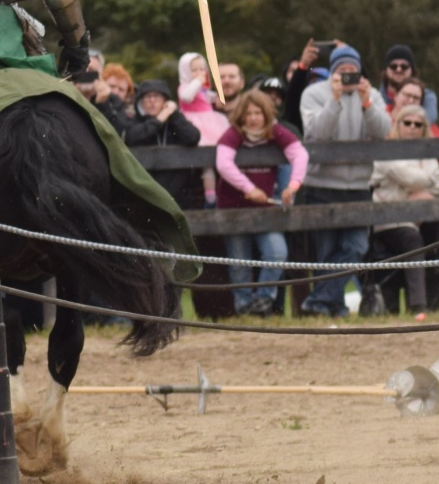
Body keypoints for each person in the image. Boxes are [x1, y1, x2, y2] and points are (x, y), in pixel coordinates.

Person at [299, 44, 391, 317]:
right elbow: (319, 134)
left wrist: (367, 104)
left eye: (353, 69)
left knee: (356, 247)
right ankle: (334, 306)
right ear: (333, 71)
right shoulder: (314, 93)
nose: (349, 74)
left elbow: (383, 131)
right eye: (343, 69)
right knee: (327, 253)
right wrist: (335, 100)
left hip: (360, 185)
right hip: (323, 184)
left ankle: (317, 302)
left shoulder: (371, 93)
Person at [215, 90, 308, 316]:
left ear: (266, 114)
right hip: (233, 209)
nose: (253, 118)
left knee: (276, 253)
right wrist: (249, 188)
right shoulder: (233, 134)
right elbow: (223, 163)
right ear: (241, 116)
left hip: (265, 209)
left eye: (258, 113)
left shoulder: (275, 132)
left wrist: (293, 185)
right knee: (239, 262)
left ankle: (263, 300)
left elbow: (300, 154)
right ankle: (243, 306)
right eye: (248, 113)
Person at [369, 104, 439, 314]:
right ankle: (419, 306)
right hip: (389, 219)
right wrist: (425, 183)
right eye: (408, 123)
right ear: (398, 124)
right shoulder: (387, 149)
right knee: (412, 238)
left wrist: (421, 192)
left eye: (418, 124)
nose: (413, 128)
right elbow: (411, 177)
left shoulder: (426, 152)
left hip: (418, 218)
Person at [126, 79, 201, 203]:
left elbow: (193, 137)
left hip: (178, 193)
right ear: (141, 101)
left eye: (157, 96)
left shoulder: (175, 121)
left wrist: (173, 114)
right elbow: (132, 137)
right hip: (146, 193)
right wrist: (159, 119)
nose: (152, 101)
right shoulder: (135, 122)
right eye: (147, 96)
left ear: (165, 100)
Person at [176, 52, 229, 207]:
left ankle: (214, 195)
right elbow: (186, 97)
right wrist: (198, 81)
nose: (199, 73)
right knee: (204, 162)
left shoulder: (202, 89)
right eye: (194, 70)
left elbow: (208, 97)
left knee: (212, 161)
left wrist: (216, 97)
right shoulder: (185, 87)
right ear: (185, 71)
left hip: (210, 122)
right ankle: (210, 197)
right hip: (195, 124)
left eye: (202, 69)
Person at [379, 44, 438, 125]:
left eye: (404, 66)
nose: (398, 69)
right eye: (393, 66)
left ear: (412, 70)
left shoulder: (427, 96)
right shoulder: (374, 97)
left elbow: (428, 120)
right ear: (385, 69)